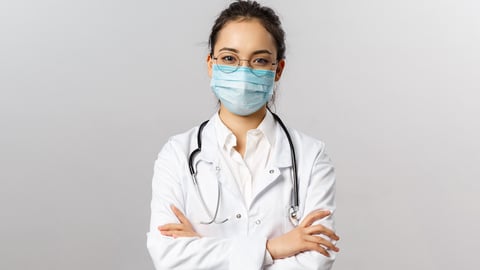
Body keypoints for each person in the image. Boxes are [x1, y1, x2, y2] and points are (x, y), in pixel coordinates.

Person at [146, 1, 340, 269]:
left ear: (278, 70)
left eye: (260, 60)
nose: (244, 71)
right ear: (211, 65)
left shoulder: (310, 156)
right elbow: (168, 256)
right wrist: (275, 248)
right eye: (229, 58)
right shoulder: (177, 153)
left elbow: (316, 259)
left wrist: (202, 251)